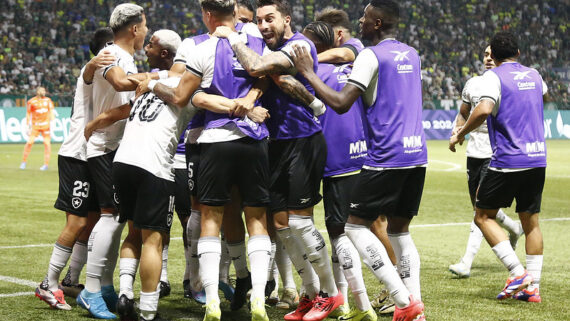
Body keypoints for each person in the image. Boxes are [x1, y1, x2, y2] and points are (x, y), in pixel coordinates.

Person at [135, 1, 275, 320]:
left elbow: (193, 97)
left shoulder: (201, 47)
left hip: (214, 139)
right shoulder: (255, 39)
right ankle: (257, 299)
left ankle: (211, 299)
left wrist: (229, 107)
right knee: (257, 219)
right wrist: (246, 104)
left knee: (210, 217)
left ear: (208, 15)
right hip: (255, 138)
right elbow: (263, 78)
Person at [291, 0, 427, 320]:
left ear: (377, 23)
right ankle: (415, 308)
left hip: (385, 156)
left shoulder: (370, 55)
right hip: (417, 154)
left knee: (353, 228)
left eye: (365, 18)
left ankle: (404, 302)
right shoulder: (412, 54)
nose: (360, 22)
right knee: (399, 232)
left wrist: (308, 73)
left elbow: (340, 103)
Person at [213, 0, 346, 320]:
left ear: (286, 19)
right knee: (282, 226)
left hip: (303, 142)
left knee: (300, 221)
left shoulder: (299, 45)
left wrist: (232, 38)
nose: (263, 26)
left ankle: (331, 295)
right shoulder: (274, 47)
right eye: (258, 21)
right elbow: (275, 81)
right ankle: (310, 294)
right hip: (275, 145)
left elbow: (257, 68)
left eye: (269, 19)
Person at [86, 28, 184, 321]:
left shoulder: (145, 82)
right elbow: (200, 102)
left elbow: (124, 109)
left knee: (133, 232)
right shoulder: (185, 84)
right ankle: (150, 312)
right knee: (154, 239)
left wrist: (98, 120)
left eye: (153, 44)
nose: (147, 47)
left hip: (123, 161)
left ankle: (126, 295)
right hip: (154, 165)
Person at [449, 31, 547, 303]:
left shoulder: (493, 77)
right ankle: (533, 287)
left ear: (497, 55)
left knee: (482, 215)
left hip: (508, 159)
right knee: (531, 221)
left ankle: (518, 273)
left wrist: (459, 134)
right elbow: (544, 98)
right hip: (537, 158)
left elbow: (482, 109)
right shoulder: (535, 75)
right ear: (517, 53)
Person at [34, 28, 115, 311]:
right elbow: (90, 66)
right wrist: (100, 58)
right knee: (77, 222)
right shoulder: (92, 69)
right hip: (77, 155)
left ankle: (71, 280)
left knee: (92, 220)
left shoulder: (110, 73)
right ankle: (48, 283)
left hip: (93, 155)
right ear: (106, 46)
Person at [301, 21, 378, 321]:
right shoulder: (355, 62)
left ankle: (357, 303)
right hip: (360, 155)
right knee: (351, 229)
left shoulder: (313, 73)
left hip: (335, 159)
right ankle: (346, 300)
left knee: (338, 232)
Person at [76, 4, 147, 319]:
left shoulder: (125, 55)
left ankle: (103, 286)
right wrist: (160, 78)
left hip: (115, 146)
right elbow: (119, 83)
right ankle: (91, 291)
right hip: (106, 147)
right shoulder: (113, 54)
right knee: (110, 216)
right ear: (135, 28)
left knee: (115, 216)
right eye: (144, 27)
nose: (145, 32)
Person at [448, 45, 523, 278]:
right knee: (479, 207)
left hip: (496, 150)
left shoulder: (504, 82)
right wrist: (457, 128)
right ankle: (513, 228)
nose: (489, 59)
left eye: (492, 55)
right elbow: (463, 111)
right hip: (474, 152)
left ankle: (466, 263)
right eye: (486, 55)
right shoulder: (473, 84)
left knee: (480, 209)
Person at [20, 86, 55, 171]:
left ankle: (46, 164)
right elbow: (28, 114)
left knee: (47, 144)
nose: (44, 92)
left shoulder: (48, 101)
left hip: (46, 126)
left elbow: (51, 112)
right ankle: (23, 162)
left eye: (44, 90)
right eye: (42, 90)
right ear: (38, 91)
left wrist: (53, 123)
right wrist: (27, 126)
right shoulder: (31, 102)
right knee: (29, 142)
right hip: (35, 126)